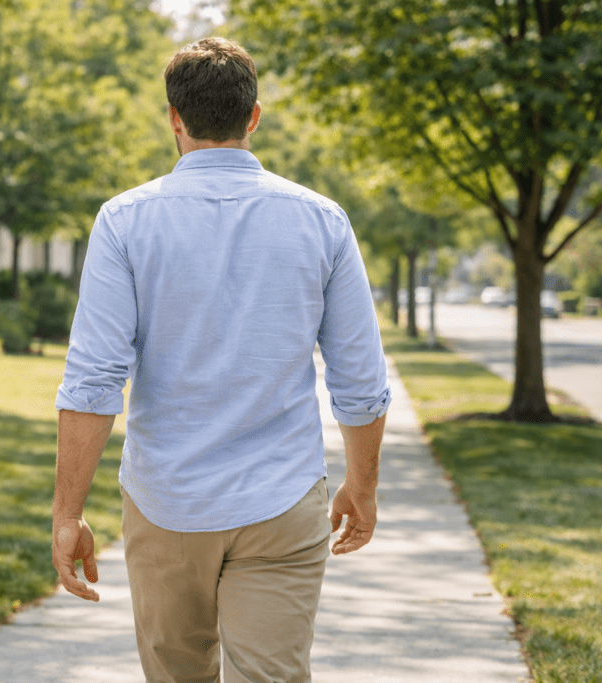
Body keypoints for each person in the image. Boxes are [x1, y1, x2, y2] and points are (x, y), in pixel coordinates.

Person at [52, 37, 390, 683]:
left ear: (174, 119)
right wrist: (362, 487)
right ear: (254, 116)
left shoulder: (124, 221)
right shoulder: (323, 220)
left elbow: (94, 381)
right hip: (282, 500)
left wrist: (68, 513)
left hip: (164, 501)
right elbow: (361, 382)